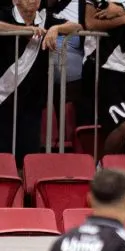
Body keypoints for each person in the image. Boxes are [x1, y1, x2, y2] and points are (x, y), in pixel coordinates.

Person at [0, 0, 81, 165]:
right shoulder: (6, 14)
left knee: (27, 154)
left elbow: (77, 27)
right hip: (4, 95)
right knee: (3, 154)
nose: (33, 0)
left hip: (33, 97)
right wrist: (23, 30)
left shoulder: (46, 19)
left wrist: (56, 29)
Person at [82, 0, 125, 157]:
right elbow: (90, 23)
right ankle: (103, 167)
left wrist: (122, 13)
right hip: (100, 67)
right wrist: (124, 19)